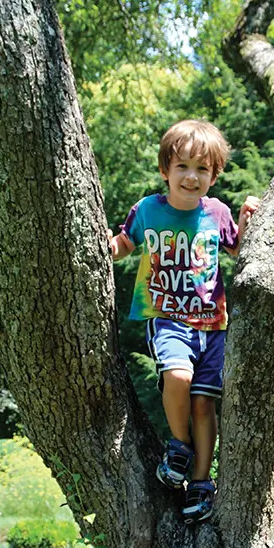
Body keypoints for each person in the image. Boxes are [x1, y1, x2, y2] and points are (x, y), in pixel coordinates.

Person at [109, 119, 259, 523]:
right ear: (166, 170)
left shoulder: (217, 212)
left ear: (213, 175)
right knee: (177, 377)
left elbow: (238, 249)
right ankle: (178, 447)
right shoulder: (148, 210)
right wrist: (105, 246)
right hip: (168, 317)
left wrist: (246, 218)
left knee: (204, 405)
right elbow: (125, 242)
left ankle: (201, 483)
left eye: (202, 169)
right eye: (182, 167)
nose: (191, 177)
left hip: (212, 324)